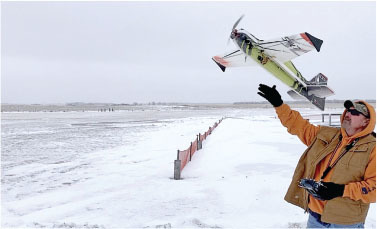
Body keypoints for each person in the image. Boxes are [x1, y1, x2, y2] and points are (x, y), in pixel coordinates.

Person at [257, 84, 376, 228]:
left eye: (355, 113)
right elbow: (298, 125)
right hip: (315, 218)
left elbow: (374, 188)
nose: (348, 114)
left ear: (366, 122)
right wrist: (279, 104)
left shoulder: (372, 148)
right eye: (348, 111)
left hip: (345, 222)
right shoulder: (327, 134)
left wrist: (341, 190)